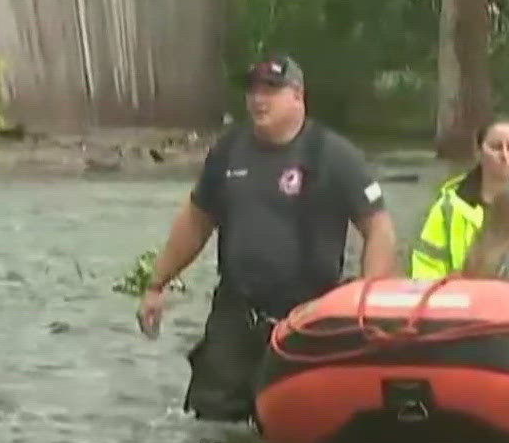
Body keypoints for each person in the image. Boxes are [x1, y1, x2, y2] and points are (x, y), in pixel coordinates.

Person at [137, 55, 396, 422]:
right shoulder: (229, 151)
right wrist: (157, 283)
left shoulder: (332, 154)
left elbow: (379, 229)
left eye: (271, 90)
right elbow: (196, 221)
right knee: (210, 426)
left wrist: (367, 304)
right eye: (253, 90)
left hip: (307, 318)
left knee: (300, 425)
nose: (259, 99)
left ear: (298, 96)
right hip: (237, 314)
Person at [410, 117, 509, 277]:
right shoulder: (448, 208)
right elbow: (426, 267)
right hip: (462, 297)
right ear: (479, 151)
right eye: (496, 147)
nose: (504, 156)